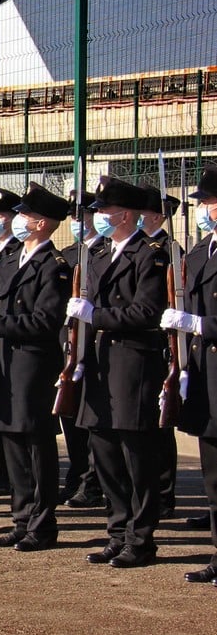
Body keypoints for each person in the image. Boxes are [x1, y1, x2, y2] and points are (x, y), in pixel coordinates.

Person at [68, 176, 168, 568]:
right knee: (104, 452)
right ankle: (117, 530)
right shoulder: (99, 254)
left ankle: (140, 540)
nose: (98, 219)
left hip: (132, 363)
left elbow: (147, 312)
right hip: (99, 363)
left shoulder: (150, 254)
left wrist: (97, 315)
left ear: (124, 214)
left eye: (104, 212)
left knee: (135, 456)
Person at [0, 182, 71, 552]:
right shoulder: (12, 259)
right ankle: (22, 518)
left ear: (43, 223)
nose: (17, 221)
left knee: (36, 447)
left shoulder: (54, 266)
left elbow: (45, 322)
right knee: (12, 445)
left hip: (33, 365)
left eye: (26, 215)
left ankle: (43, 524)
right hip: (5, 362)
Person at [165, 163, 217, 585]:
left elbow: (201, 318)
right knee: (213, 476)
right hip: (204, 375)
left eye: (211, 203)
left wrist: (200, 325)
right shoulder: (200, 251)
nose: (206, 210)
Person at [138, 181, 181, 518]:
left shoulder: (166, 249)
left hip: (159, 339)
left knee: (161, 423)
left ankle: (165, 493)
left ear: (155, 215)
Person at [59, 189, 105, 509]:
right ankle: (77, 475)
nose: (78, 222)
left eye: (83, 216)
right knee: (71, 416)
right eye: (75, 217)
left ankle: (93, 482)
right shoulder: (68, 253)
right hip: (70, 344)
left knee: (93, 421)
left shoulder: (105, 251)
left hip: (98, 343)